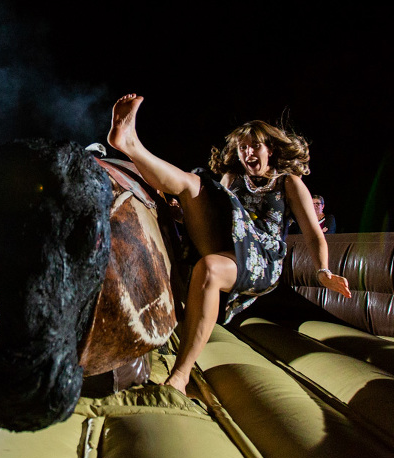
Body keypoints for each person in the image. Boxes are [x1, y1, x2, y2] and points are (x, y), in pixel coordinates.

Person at [107, 94, 351, 395]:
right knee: (192, 185)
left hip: (261, 259)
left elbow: (313, 233)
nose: (248, 152)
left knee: (209, 267)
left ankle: (180, 377)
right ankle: (130, 145)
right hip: (231, 243)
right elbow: (217, 218)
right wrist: (180, 215)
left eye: (255, 146)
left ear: (270, 149)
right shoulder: (232, 178)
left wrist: (323, 270)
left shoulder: (288, 182)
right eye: (243, 147)